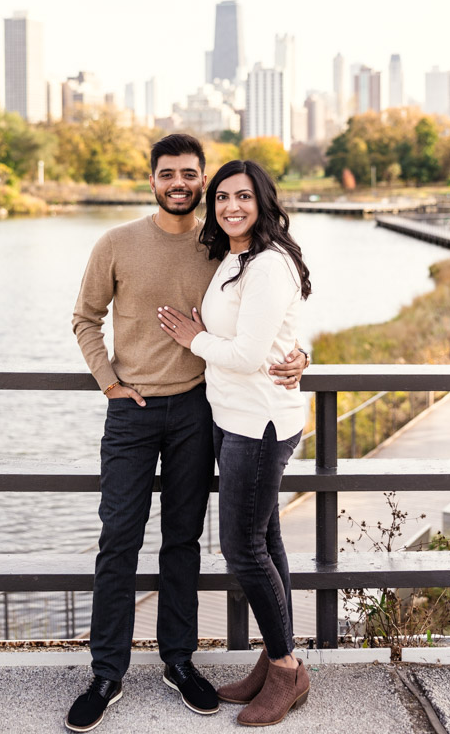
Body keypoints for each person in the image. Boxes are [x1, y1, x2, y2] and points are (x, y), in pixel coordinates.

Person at [65, 135, 308, 732]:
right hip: (131, 414)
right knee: (118, 537)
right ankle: (106, 672)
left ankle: (178, 660)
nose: (180, 182)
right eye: (167, 173)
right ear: (151, 180)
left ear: (202, 181)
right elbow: (84, 318)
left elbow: (269, 318)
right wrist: (109, 381)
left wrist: (301, 354)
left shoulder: (219, 248)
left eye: (190, 174)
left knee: (182, 540)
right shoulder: (116, 243)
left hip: (199, 414)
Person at [157, 159, 312, 727]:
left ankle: (288, 669)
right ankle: (276, 665)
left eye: (243, 197)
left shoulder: (268, 264)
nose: (231, 207)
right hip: (235, 420)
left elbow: (250, 355)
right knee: (265, 542)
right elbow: (272, 335)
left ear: (262, 200)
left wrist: (194, 337)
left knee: (243, 548)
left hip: (260, 424)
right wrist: (294, 350)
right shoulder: (235, 258)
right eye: (221, 198)